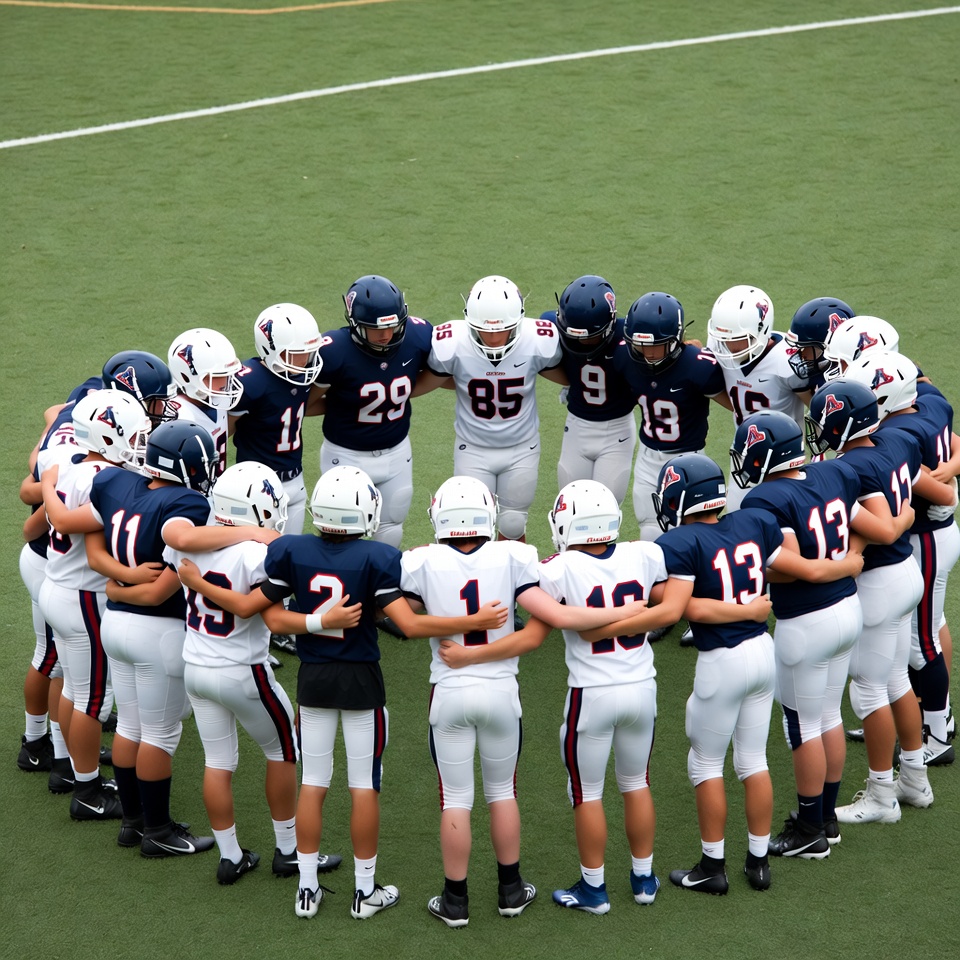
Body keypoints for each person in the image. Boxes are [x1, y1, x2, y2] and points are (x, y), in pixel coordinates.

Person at [250, 466, 509, 920]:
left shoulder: (292, 549)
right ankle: (364, 890)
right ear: (366, 511)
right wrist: (472, 623)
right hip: (359, 679)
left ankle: (307, 890)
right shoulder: (377, 557)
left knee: (313, 782)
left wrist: (317, 622)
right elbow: (407, 626)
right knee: (363, 785)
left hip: (312, 676)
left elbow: (272, 620)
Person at [432, 479, 673, 916]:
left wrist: (473, 654)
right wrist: (631, 614)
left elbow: (535, 634)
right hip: (643, 687)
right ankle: (643, 880)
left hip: (592, 695)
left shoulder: (557, 569)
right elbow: (665, 602)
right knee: (637, 783)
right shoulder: (645, 554)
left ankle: (594, 889)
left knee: (588, 793)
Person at [649, 453, 861, 894]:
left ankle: (712, 866)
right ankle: (759, 860)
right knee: (754, 760)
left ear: (680, 499)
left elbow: (680, 604)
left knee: (705, 762)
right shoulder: (755, 524)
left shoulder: (681, 543)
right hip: (763, 651)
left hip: (722, 661)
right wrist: (748, 607)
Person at [168, 461, 349, 885]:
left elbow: (183, 550)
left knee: (217, 761)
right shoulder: (260, 553)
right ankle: (288, 850)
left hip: (195, 664)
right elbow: (267, 614)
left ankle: (230, 856)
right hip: (242, 669)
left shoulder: (188, 541)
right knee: (284, 751)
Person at [732, 409, 900, 856]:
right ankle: (825, 818)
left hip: (806, 622)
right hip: (848, 608)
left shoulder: (763, 500)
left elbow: (788, 570)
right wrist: (846, 561)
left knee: (803, 725)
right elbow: (864, 527)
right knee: (827, 715)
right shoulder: (834, 473)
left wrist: (819, 568)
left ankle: (810, 829)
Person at [83, 420, 231, 856]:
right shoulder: (186, 503)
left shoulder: (116, 482)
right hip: (158, 630)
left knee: (130, 725)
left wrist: (113, 586)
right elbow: (161, 590)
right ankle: (159, 832)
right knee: (160, 735)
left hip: (116, 624)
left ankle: (133, 823)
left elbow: (89, 531)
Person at [806, 367, 945, 823]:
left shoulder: (844, 469)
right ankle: (915, 779)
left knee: (868, 691)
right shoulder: (896, 442)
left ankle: (883, 796)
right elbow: (918, 503)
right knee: (896, 681)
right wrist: (903, 517)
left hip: (879, 581)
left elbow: (878, 528)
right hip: (907, 572)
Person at [38, 390, 153, 821]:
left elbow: (56, 511)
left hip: (58, 584)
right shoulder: (106, 480)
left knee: (73, 688)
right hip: (83, 596)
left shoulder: (72, 465)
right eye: (134, 435)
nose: (142, 442)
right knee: (91, 700)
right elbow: (73, 522)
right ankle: (86, 790)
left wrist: (48, 485)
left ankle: (71, 769)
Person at [426, 275, 564, 542]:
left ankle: (514, 581)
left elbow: (570, 374)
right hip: (473, 448)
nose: (492, 336)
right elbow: (427, 382)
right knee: (471, 524)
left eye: (501, 329)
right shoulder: (452, 343)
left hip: (522, 447)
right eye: (484, 329)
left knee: (513, 524)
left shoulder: (538, 340)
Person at [871, 357, 960, 767]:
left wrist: (939, 481)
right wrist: (948, 472)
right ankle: (933, 718)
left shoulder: (897, 433)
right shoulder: (932, 403)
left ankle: (937, 735)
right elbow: (955, 446)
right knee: (929, 627)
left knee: (920, 643)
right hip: (938, 534)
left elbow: (942, 494)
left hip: (926, 537)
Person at [306, 275, 437, 551]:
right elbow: (306, 403)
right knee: (341, 531)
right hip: (346, 454)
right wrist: (347, 403)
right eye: (376, 329)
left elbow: (442, 375)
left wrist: (400, 392)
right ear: (354, 324)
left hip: (397, 452)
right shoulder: (334, 351)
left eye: (392, 326)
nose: (386, 335)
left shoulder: (417, 335)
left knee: (391, 529)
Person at [615, 291, 729, 541]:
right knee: (650, 533)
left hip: (690, 462)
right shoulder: (625, 356)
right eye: (641, 344)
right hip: (647, 459)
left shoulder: (698, 366)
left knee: (692, 538)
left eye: (656, 344)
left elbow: (738, 405)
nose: (648, 352)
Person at [706, 285, 808, 512]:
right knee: (737, 517)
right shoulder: (719, 345)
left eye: (739, 339)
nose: (729, 346)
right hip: (744, 452)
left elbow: (817, 408)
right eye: (724, 338)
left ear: (762, 330)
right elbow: (732, 397)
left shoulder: (786, 361)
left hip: (784, 458)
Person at [231, 303, 325, 538]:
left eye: (308, 351)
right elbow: (223, 432)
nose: (304, 359)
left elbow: (301, 407)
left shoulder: (301, 375)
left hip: (295, 477)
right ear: (270, 348)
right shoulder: (250, 381)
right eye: (296, 352)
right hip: (255, 483)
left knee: (286, 558)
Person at [547, 275, 637, 505]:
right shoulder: (552, 326)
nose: (580, 342)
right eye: (571, 334)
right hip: (577, 427)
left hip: (617, 432)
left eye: (590, 336)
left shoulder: (629, 338)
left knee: (605, 509)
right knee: (569, 507)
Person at [167, 327, 244, 476]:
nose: (224, 384)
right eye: (215, 377)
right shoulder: (178, 416)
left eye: (227, 375)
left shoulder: (217, 399)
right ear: (185, 376)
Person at [783, 297, 856, 397]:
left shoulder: (854, 381)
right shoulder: (818, 375)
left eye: (808, 347)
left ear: (831, 346)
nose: (802, 354)